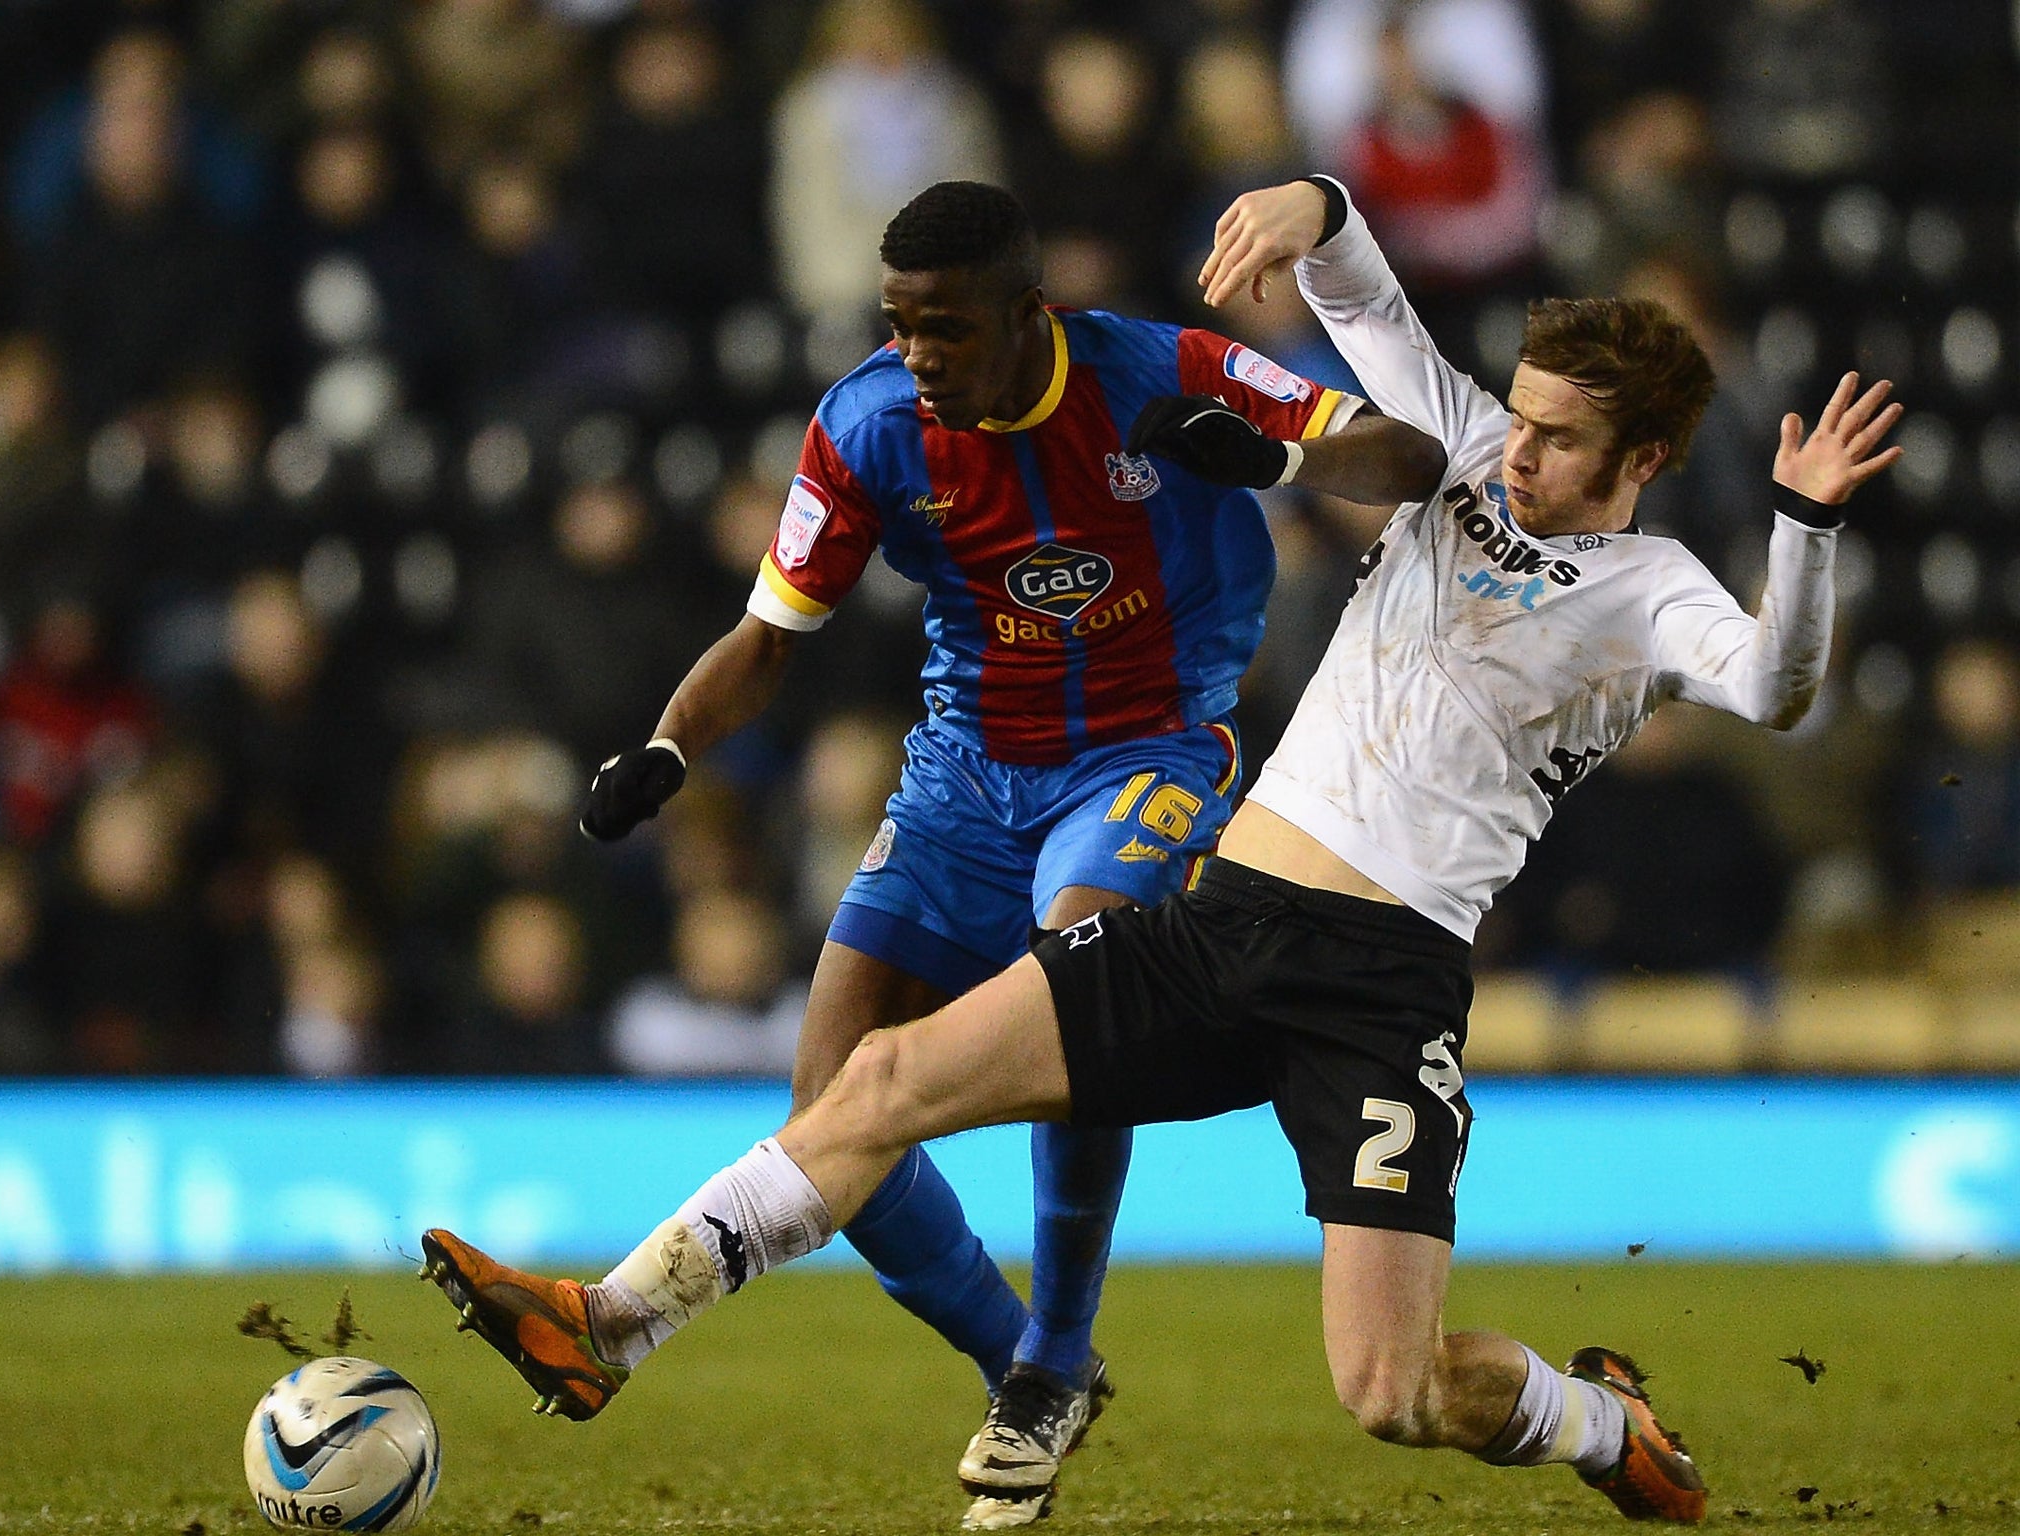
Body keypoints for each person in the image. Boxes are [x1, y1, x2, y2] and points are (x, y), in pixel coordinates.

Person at [419, 175, 1902, 1525]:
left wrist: (1805, 528)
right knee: (873, 1079)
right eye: (1514, 414)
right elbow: (1360, 304)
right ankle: (611, 1323)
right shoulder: (1460, 452)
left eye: (1559, 436)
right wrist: (1308, 207)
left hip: (1381, 986)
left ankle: (1596, 1422)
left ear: (1641, 454)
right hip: (1228, 919)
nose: (1516, 449)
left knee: (1389, 1393)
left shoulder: (1653, 590)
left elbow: (1776, 686)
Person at [564, 179, 1442, 1528]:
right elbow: (768, 637)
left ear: (1030, 313)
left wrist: (1270, 459)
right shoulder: (865, 425)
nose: (920, 354)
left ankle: (1045, 1353)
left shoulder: (1165, 371)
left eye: (948, 329)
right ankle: (1038, 1366)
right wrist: (670, 749)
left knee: (1081, 961)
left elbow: (1406, 458)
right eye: (900, 325)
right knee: (827, 1106)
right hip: (965, 769)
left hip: (1148, 749)